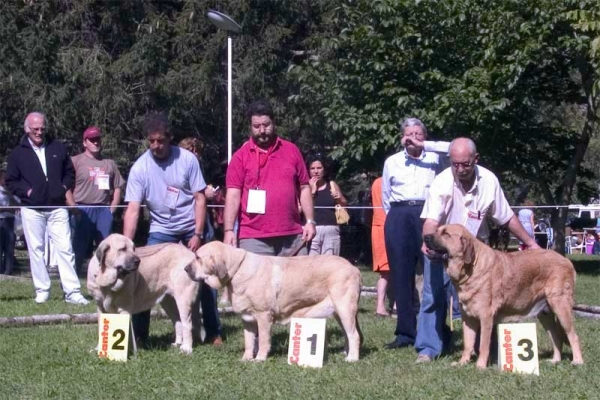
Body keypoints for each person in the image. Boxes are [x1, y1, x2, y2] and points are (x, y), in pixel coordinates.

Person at [417, 137, 540, 363]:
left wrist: (530, 243)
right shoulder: (441, 182)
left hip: (476, 253)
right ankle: (428, 349)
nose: (460, 169)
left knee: (485, 302)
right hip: (442, 250)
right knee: (433, 297)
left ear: (476, 159)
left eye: (465, 164)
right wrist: (428, 241)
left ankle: (487, 351)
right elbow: (431, 220)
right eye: (455, 164)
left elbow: (507, 216)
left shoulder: (489, 181)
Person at [123, 112, 221, 345]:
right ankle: (140, 335)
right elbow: (133, 209)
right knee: (143, 277)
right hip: (161, 229)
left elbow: (199, 198)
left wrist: (198, 233)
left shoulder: (187, 159)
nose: (156, 146)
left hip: (191, 225)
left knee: (205, 277)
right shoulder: (140, 168)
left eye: (161, 140)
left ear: (170, 139)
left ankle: (214, 332)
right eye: (151, 141)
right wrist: (126, 245)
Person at [5, 112, 88, 304]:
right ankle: (42, 290)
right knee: (36, 249)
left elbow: (69, 173)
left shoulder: (57, 147)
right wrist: (27, 193)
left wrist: (63, 187)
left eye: (42, 128)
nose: (39, 132)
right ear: (27, 129)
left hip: (57, 207)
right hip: (32, 209)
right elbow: (11, 181)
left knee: (66, 248)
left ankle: (73, 292)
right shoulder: (18, 153)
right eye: (35, 129)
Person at [381, 117, 450, 350]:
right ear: (401, 137)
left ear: (425, 137)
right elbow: (386, 197)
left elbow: (454, 148)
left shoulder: (435, 158)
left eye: (418, 134)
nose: (412, 138)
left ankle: (438, 329)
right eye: (408, 134)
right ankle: (405, 333)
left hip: (428, 215)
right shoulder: (392, 162)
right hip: (399, 215)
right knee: (401, 275)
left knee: (434, 275)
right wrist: (397, 219)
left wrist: (425, 146)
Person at [223, 100, 316, 255]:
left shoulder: (291, 151)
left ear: (274, 123)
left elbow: (305, 187)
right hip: (253, 238)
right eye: (256, 126)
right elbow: (233, 195)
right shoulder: (240, 157)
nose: (262, 130)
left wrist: (310, 221)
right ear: (250, 126)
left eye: (266, 125)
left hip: (292, 236)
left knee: (299, 280)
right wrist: (228, 230)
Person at [71, 126, 125, 274]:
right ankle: (71, 282)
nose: (96, 143)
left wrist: (112, 208)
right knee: (79, 247)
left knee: (106, 247)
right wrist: (72, 207)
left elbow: (118, 186)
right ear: (84, 142)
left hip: (103, 210)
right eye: (92, 140)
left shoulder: (109, 163)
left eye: (98, 139)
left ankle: (106, 277)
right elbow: (66, 186)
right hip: (82, 209)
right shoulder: (75, 161)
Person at [307, 155, 347, 255]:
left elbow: (344, 206)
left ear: (324, 170)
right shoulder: (305, 187)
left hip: (331, 229)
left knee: (330, 265)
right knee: (311, 264)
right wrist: (312, 191)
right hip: (312, 229)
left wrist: (339, 198)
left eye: (319, 168)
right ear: (308, 171)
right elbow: (301, 209)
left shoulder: (332, 185)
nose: (316, 171)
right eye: (312, 168)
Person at [371, 176, 393, 317]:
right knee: (396, 268)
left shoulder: (376, 182)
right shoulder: (387, 182)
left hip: (378, 226)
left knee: (385, 270)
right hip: (389, 225)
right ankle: (392, 306)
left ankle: (382, 306)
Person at [0, 171, 18, 275]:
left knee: (10, 247)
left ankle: (8, 270)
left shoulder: (11, 191)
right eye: (4, 178)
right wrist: (8, 209)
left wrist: (10, 195)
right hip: (1, 220)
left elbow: (17, 206)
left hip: (10, 220)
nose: (6, 181)